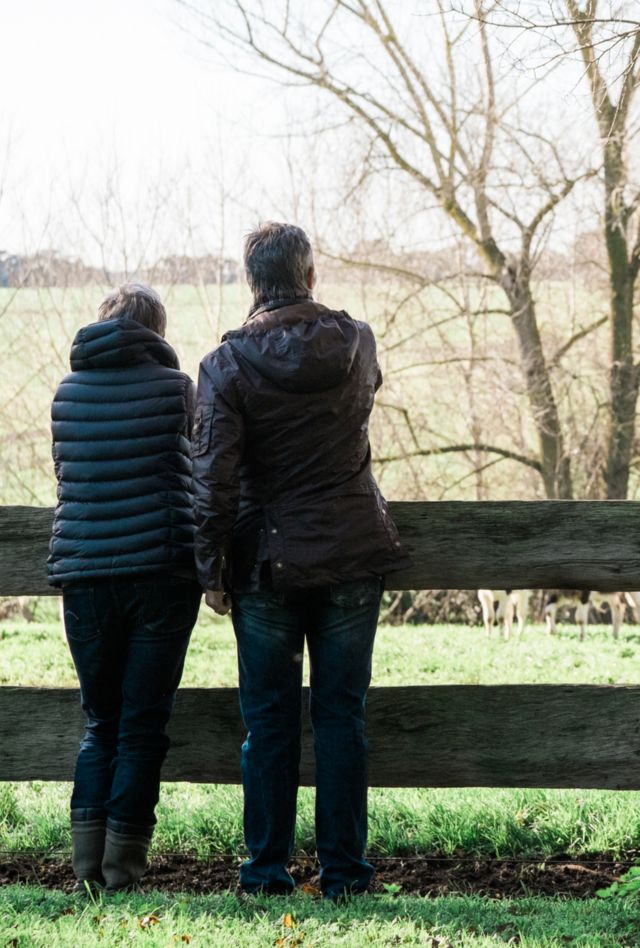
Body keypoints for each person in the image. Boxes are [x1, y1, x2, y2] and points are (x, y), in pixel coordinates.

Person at [192, 222, 411, 900]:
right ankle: (346, 874)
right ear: (309, 276)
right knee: (342, 717)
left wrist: (211, 569)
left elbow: (213, 479)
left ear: (252, 283)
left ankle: (265, 873)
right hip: (351, 553)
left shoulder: (225, 366)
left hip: (267, 566)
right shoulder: (357, 344)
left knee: (269, 722)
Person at [48, 283, 201, 892]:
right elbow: (195, 467)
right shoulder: (175, 388)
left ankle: (86, 867)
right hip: (160, 572)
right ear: (155, 333)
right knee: (141, 725)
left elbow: (66, 475)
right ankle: (123, 867)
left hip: (84, 576)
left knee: (99, 722)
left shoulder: (66, 393)